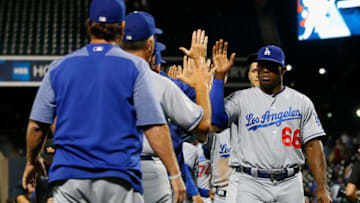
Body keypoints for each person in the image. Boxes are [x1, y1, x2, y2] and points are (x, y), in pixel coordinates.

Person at [22, 0, 185, 202]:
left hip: (70, 179)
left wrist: (32, 160)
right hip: (117, 176)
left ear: (89, 24)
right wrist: (175, 174)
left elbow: (37, 126)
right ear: (122, 27)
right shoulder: (135, 67)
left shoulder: (59, 67)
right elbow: (154, 126)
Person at [208, 42, 332, 203]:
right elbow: (216, 121)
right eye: (262, 66)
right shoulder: (241, 98)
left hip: (290, 181)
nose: (265, 70)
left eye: (271, 66)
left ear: (283, 70)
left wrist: (322, 187)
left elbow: (313, 145)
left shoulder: (301, 102)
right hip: (252, 182)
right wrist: (218, 77)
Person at [121, 12, 212, 203]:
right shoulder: (160, 84)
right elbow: (203, 128)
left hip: (108, 168)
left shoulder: (99, 80)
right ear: (150, 45)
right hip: (151, 171)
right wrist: (201, 82)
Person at [209, 52, 260, 203]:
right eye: (254, 70)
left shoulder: (280, 108)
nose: (258, 74)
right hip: (227, 190)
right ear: (248, 75)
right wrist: (217, 81)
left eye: (261, 70)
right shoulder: (235, 102)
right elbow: (213, 119)